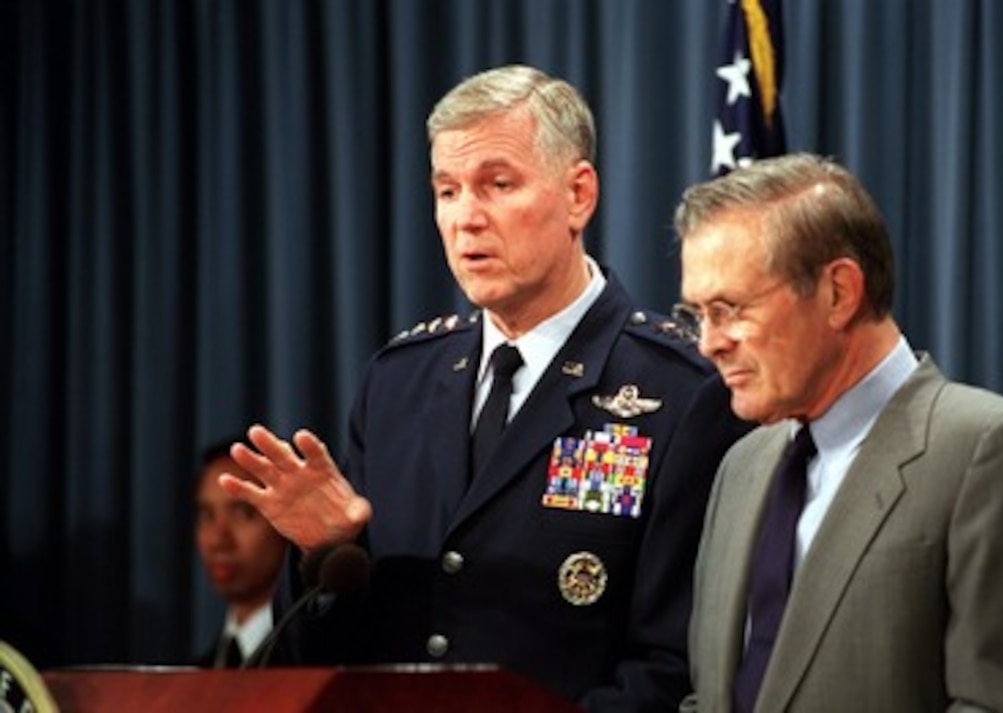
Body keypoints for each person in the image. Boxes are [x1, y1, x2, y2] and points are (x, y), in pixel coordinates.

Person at [218, 64, 750, 709]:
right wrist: (326, 556)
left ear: (579, 194)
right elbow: (314, 663)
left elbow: (678, 668)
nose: (466, 218)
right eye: (447, 191)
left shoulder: (681, 389)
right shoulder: (399, 382)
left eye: (498, 185)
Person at [672, 152, 1003, 712]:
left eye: (729, 310)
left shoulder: (989, 451)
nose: (708, 343)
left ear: (839, 293)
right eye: (696, 314)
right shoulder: (740, 466)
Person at [193, 438, 289, 668]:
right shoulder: (197, 673)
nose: (218, 540)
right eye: (207, 515)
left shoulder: (313, 668)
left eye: (243, 513)